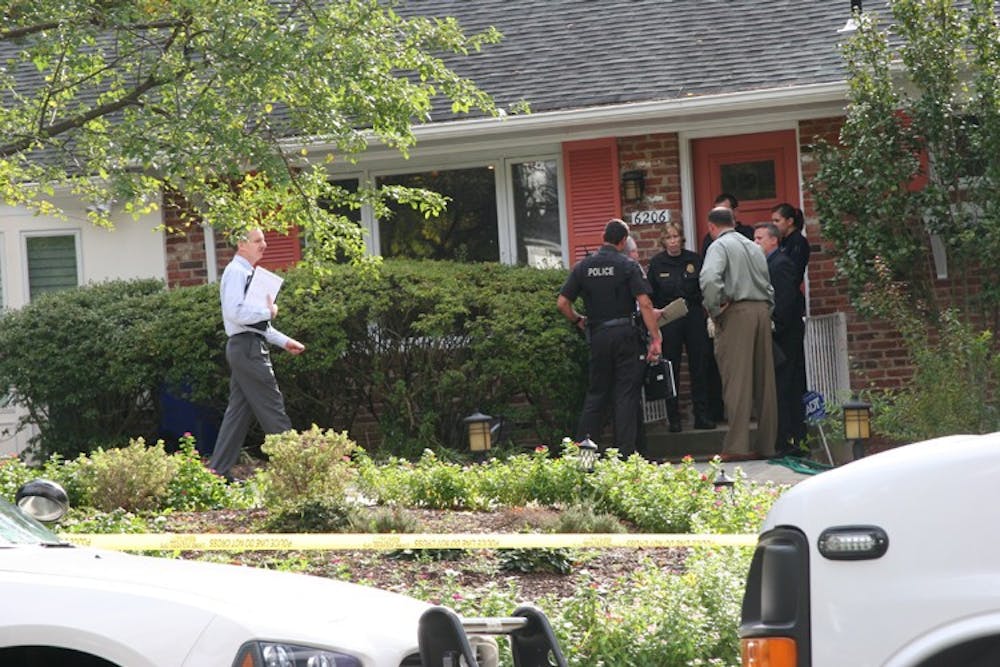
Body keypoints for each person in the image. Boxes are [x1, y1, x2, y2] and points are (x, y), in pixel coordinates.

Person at [557, 219, 662, 457]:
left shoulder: (583, 267)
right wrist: (655, 337)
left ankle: (583, 457)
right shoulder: (628, 265)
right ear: (624, 241)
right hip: (626, 335)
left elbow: (562, 303)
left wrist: (578, 320)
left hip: (598, 335)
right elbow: (644, 303)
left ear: (603, 237)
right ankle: (625, 457)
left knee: (596, 395)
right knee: (625, 395)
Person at [208, 228, 305, 480]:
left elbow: (254, 325)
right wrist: (269, 311)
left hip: (247, 346)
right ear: (241, 244)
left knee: (238, 413)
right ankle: (298, 474)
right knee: (272, 407)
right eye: (258, 240)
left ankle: (217, 473)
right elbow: (235, 313)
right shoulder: (236, 272)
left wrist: (284, 342)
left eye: (263, 240)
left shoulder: (247, 273)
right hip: (247, 350)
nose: (264, 244)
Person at [699, 207, 778, 461]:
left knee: (737, 381)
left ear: (712, 227)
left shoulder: (719, 247)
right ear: (733, 222)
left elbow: (710, 278)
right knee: (765, 383)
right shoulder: (754, 247)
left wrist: (714, 309)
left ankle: (737, 446)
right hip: (762, 311)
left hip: (736, 312)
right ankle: (767, 445)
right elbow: (768, 284)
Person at [647, 222, 715, 432]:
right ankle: (673, 418)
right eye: (669, 237)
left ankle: (701, 415)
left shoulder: (694, 259)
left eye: (676, 236)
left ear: (681, 239)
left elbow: (704, 287)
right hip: (669, 317)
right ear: (663, 241)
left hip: (693, 314)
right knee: (671, 367)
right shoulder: (657, 263)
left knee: (699, 365)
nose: (673, 241)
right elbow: (651, 295)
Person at [754, 222, 807, 454]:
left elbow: (785, 302)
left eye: (759, 239)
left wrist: (773, 324)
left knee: (786, 387)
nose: (755, 243)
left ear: (773, 240)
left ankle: (789, 439)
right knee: (779, 387)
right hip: (780, 335)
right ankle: (785, 437)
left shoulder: (780, 264)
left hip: (786, 337)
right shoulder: (767, 264)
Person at [771, 203, 811, 287]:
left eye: (777, 221)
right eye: (773, 221)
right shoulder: (783, 240)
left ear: (789, 221)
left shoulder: (798, 242)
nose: (773, 224)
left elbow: (794, 272)